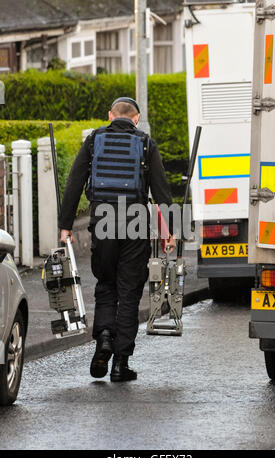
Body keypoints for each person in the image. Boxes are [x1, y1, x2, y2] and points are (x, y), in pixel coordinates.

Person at [59, 97, 176, 382]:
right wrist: (169, 232)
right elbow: (161, 192)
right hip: (135, 224)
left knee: (106, 285)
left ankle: (104, 340)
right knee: (129, 293)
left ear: (111, 115)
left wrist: (66, 227)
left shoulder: (94, 140)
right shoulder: (146, 144)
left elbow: (74, 183)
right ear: (136, 119)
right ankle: (120, 365)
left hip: (103, 222)